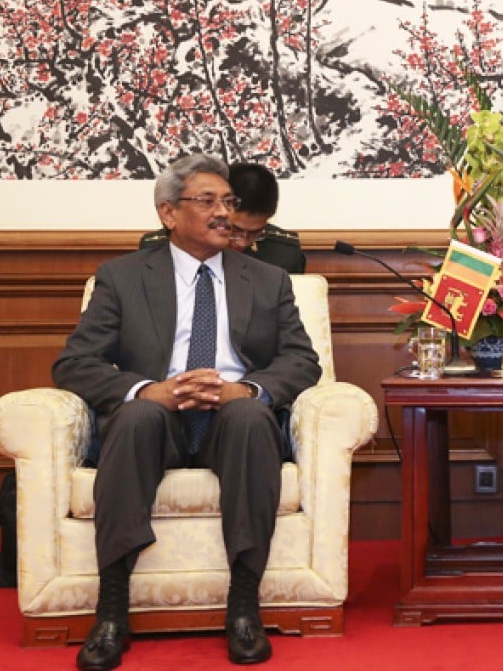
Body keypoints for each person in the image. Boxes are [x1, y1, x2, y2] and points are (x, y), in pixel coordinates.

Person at [54, 154, 321, 669]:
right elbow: (74, 363)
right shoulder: (122, 277)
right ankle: (111, 610)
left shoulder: (267, 279)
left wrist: (248, 390)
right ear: (168, 213)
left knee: (251, 417)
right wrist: (144, 390)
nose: (223, 212)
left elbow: (301, 361)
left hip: (230, 420)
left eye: (228, 202)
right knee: (135, 417)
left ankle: (243, 607)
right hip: (158, 420)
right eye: (208, 201)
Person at [140, 161, 306, 273]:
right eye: (235, 230)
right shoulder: (159, 249)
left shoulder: (284, 254)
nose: (242, 242)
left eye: (255, 233)